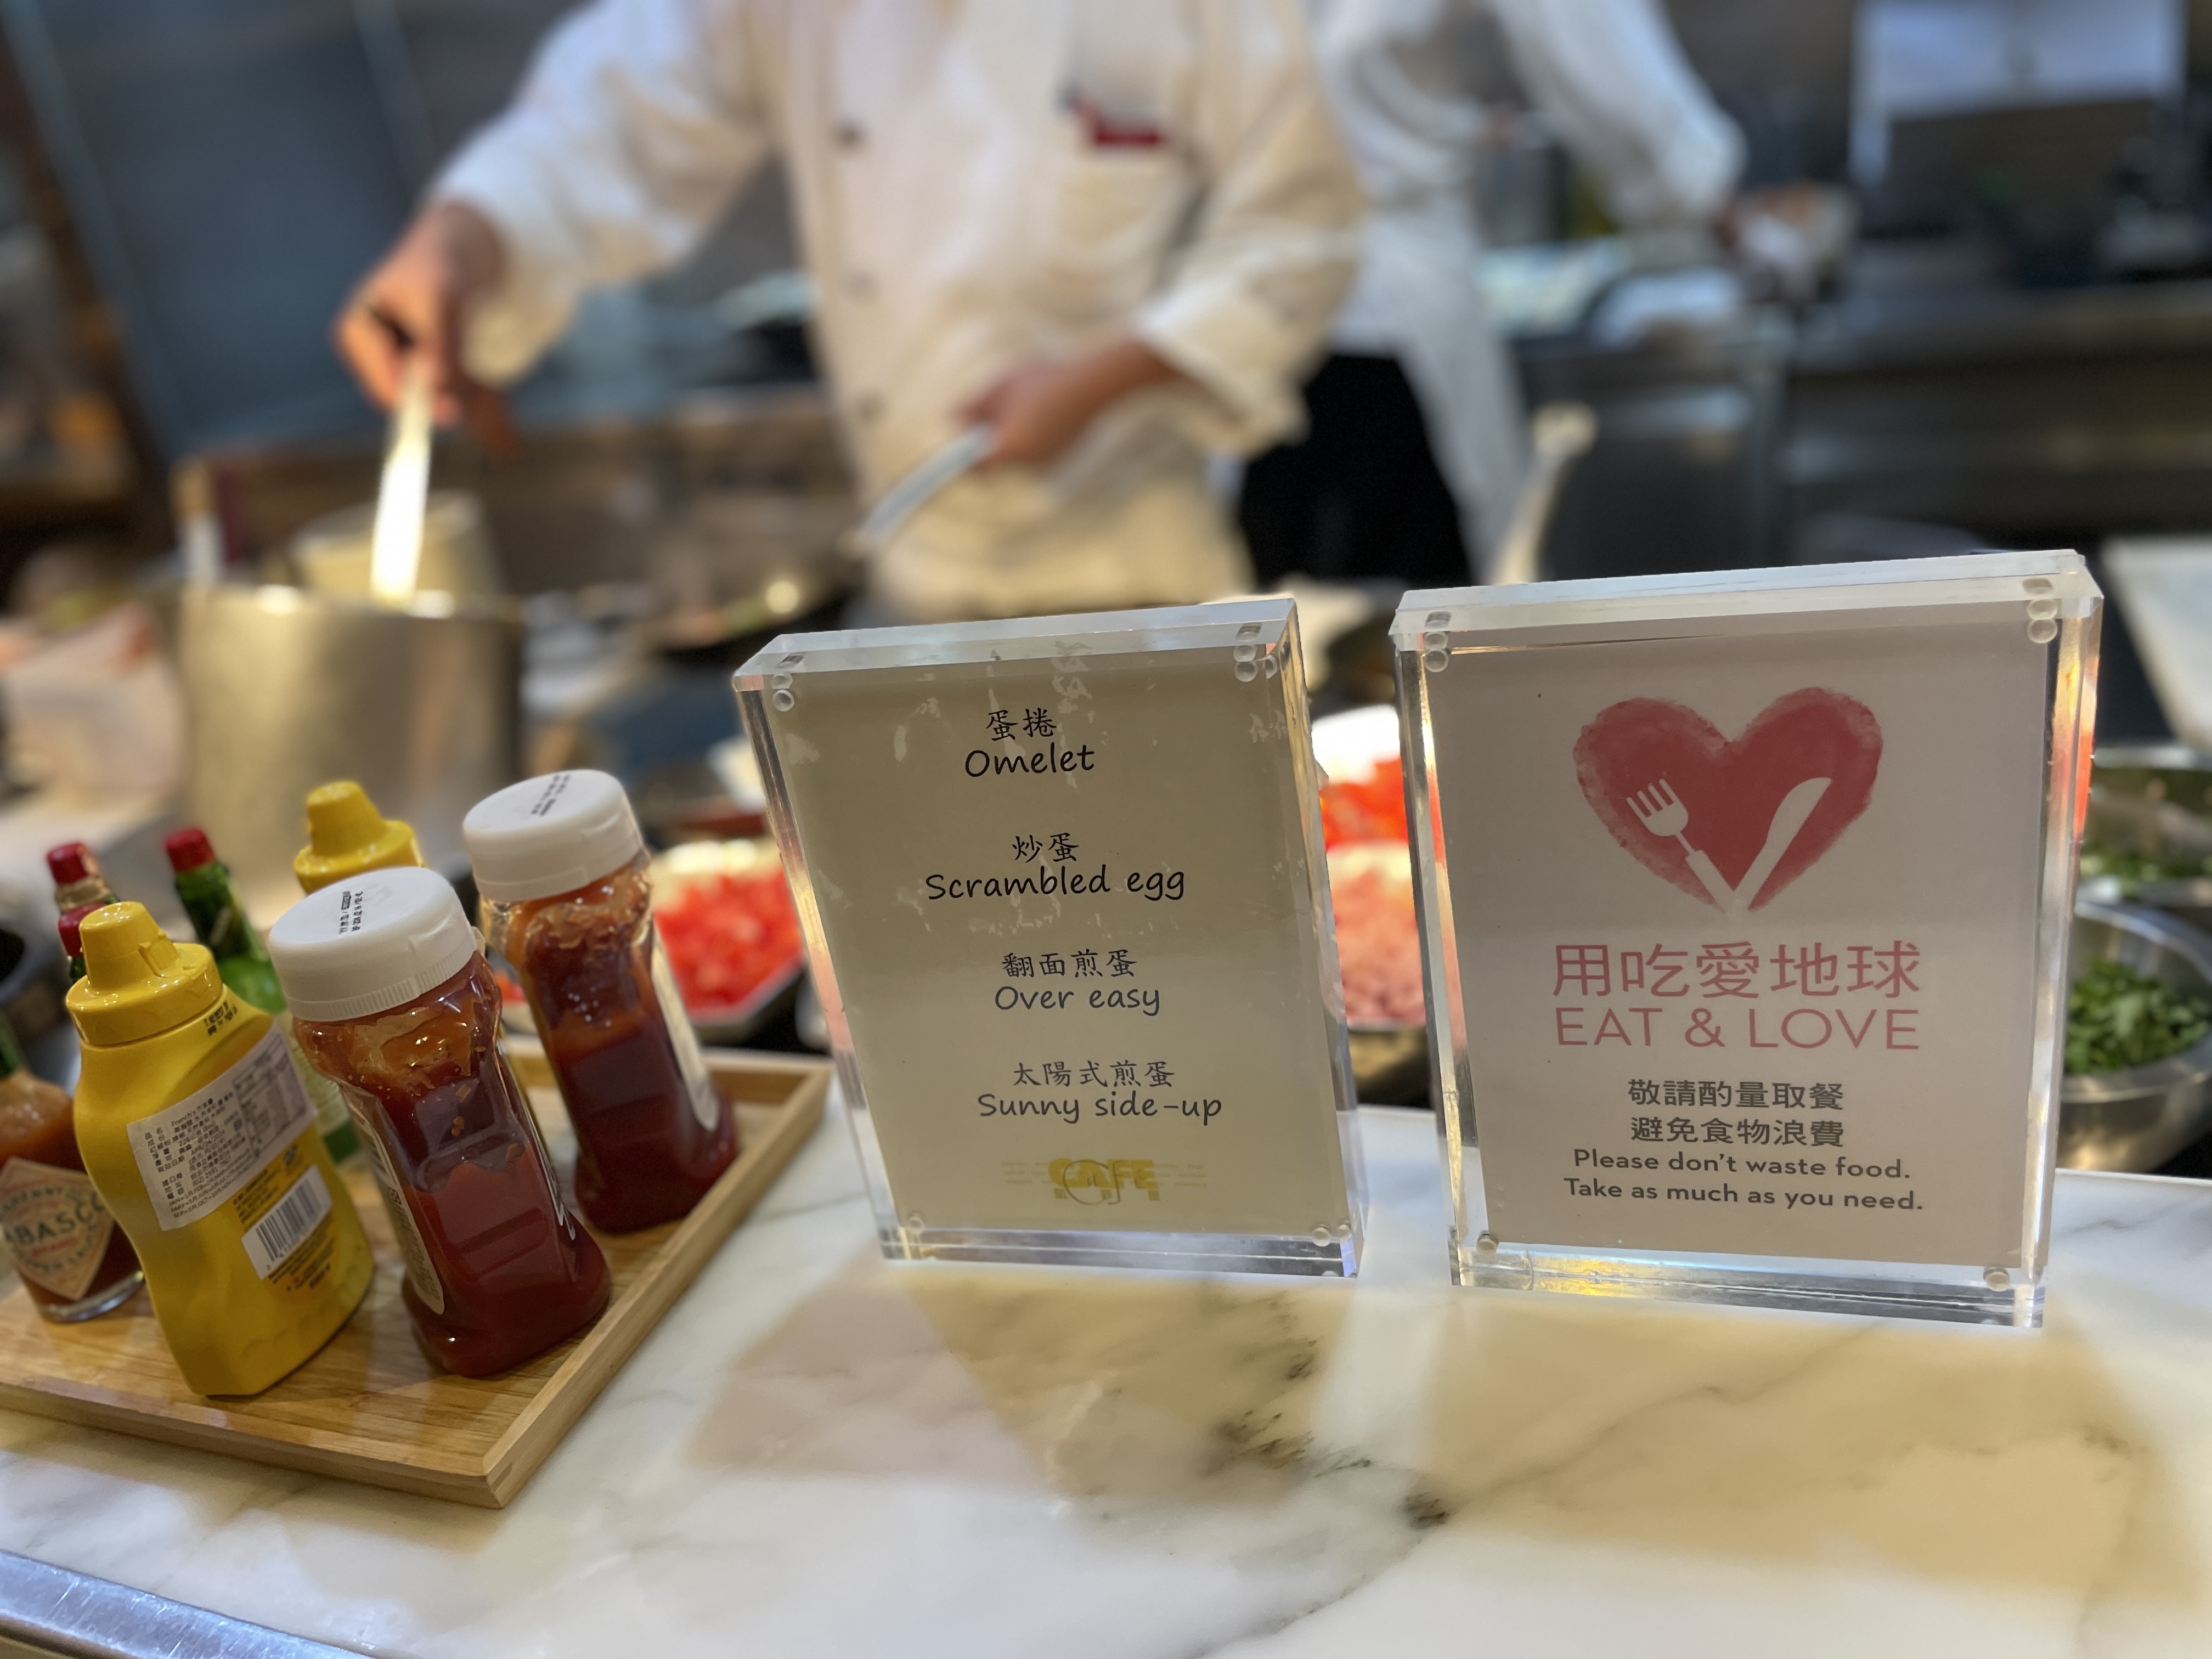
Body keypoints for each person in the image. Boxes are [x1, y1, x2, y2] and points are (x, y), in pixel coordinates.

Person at [337, 0, 1363, 624]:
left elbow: (1300, 226)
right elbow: (605, 124)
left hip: (1142, 573)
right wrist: (460, 239)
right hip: (913, 596)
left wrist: (1103, 379)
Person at [1240, 0, 1743, 588]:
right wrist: (1724, 211)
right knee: (1412, 615)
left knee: (1289, 605)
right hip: (1381, 322)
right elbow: (1595, 44)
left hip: (1256, 318)